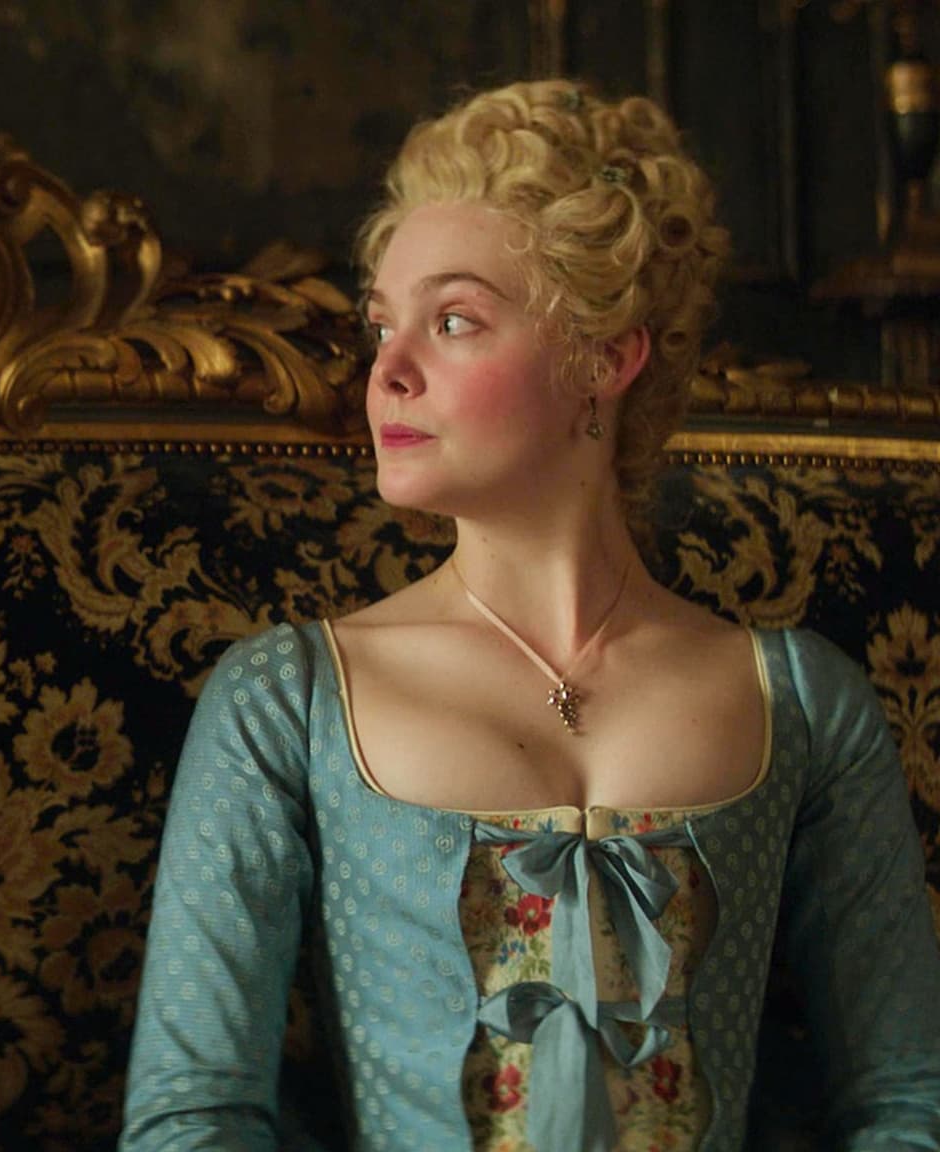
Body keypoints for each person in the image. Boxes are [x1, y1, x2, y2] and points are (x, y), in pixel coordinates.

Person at [121, 80, 940, 1151]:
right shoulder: (288, 701)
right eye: (382, 325)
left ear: (606, 359)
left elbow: (905, 1104)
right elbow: (193, 1122)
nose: (387, 372)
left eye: (452, 321)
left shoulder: (801, 703)